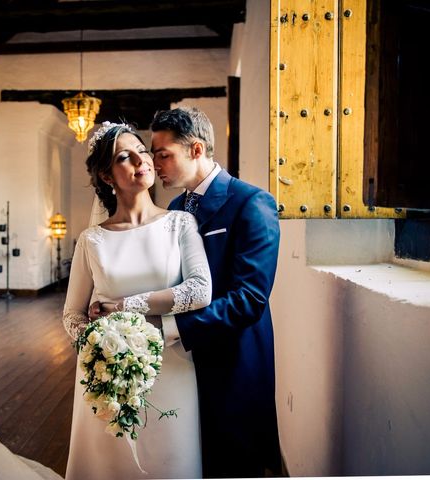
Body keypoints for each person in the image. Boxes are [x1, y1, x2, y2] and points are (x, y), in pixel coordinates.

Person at [62, 121, 212, 480]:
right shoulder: (91, 240)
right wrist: (97, 346)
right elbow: (72, 315)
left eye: (142, 152)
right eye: (124, 158)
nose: (141, 162)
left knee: (170, 461)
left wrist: (127, 306)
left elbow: (199, 290)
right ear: (107, 176)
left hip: (170, 367)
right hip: (107, 376)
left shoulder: (181, 223)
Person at [150, 106, 282, 478]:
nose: (156, 165)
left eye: (163, 154)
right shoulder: (175, 209)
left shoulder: (252, 203)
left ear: (195, 149)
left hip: (233, 360)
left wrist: (172, 329)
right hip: (181, 364)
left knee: (234, 462)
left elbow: (250, 299)